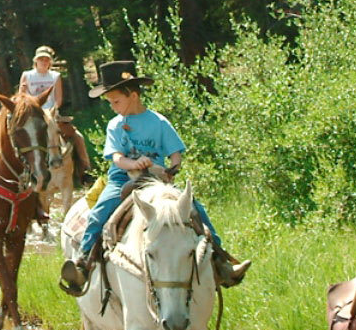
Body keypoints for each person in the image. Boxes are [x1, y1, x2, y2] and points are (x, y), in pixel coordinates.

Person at [58, 59, 250, 296]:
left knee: (195, 210)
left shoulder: (158, 122)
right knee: (100, 211)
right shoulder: (115, 125)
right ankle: (83, 263)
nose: (113, 107)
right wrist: (133, 163)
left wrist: (172, 168)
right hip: (122, 178)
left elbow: (175, 153)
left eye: (116, 101)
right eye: (110, 102)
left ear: (134, 95)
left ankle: (222, 261)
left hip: (156, 180)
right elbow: (117, 158)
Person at [19, 45, 92, 182]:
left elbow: (58, 99)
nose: (44, 62)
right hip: (34, 116)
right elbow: (21, 98)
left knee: (77, 136)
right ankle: (23, 173)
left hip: (52, 114)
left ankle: (84, 170)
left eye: (47, 60)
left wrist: (51, 111)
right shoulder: (27, 75)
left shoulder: (55, 76)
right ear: (36, 61)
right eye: (41, 59)